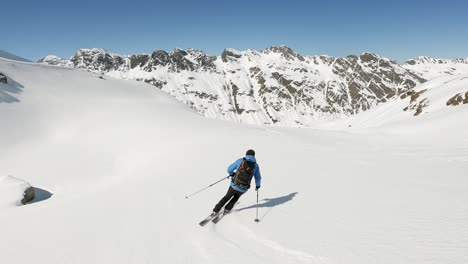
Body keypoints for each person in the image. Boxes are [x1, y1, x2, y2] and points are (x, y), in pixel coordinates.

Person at [212, 149, 262, 214]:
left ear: (246, 155)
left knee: (227, 197)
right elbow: (258, 178)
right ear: (254, 156)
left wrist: (232, 173)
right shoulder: (256, 166)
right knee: (236, 197)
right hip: (244, 188)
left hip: (234, 185)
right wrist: (257, 186)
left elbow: (229, 169)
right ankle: (227, 209)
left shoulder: (240, 161)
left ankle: (216, 210)